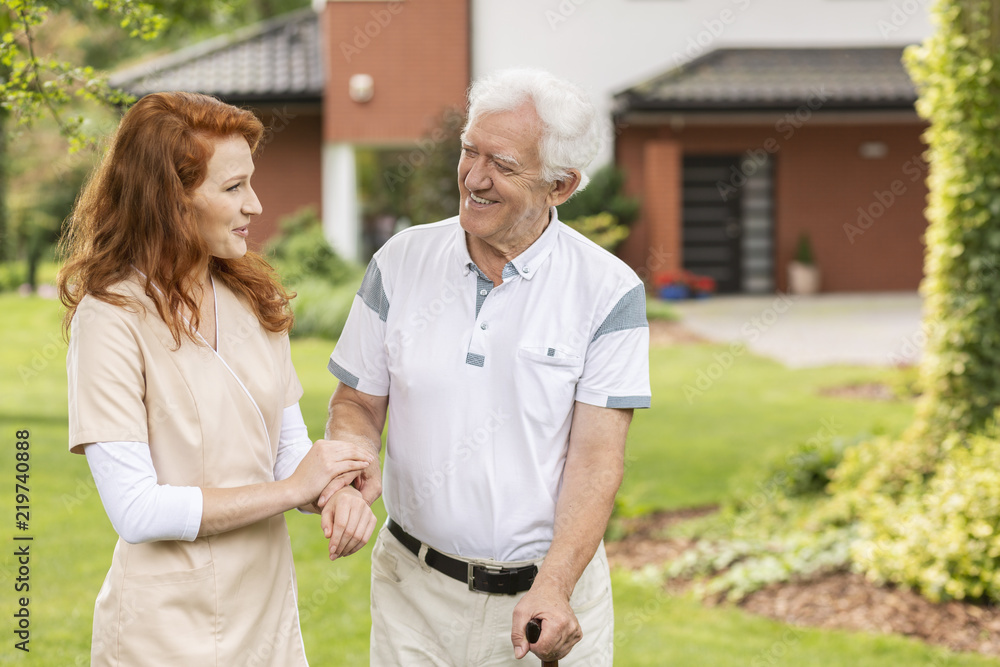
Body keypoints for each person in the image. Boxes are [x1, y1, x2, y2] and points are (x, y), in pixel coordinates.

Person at [323, 68, 651, 666]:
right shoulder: (400, 262)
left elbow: (597, 458)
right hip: (412, 596)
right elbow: (357, 404)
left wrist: (554, 583)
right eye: (468, 152)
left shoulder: (608, 291)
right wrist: (350, 467)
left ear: (561, 185)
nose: (474, 177)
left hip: (545, 598)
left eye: (501, 164)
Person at [59, 91, 377, 666]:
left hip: (266, 619)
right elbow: (137, 510)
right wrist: (292, 491)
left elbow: (286, 451)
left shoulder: (256, 300)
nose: (255, 205)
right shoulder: (109, 320)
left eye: (250, 183)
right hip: (163, 634)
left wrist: (334, 490)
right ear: (169, 200)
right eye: (233, 188)